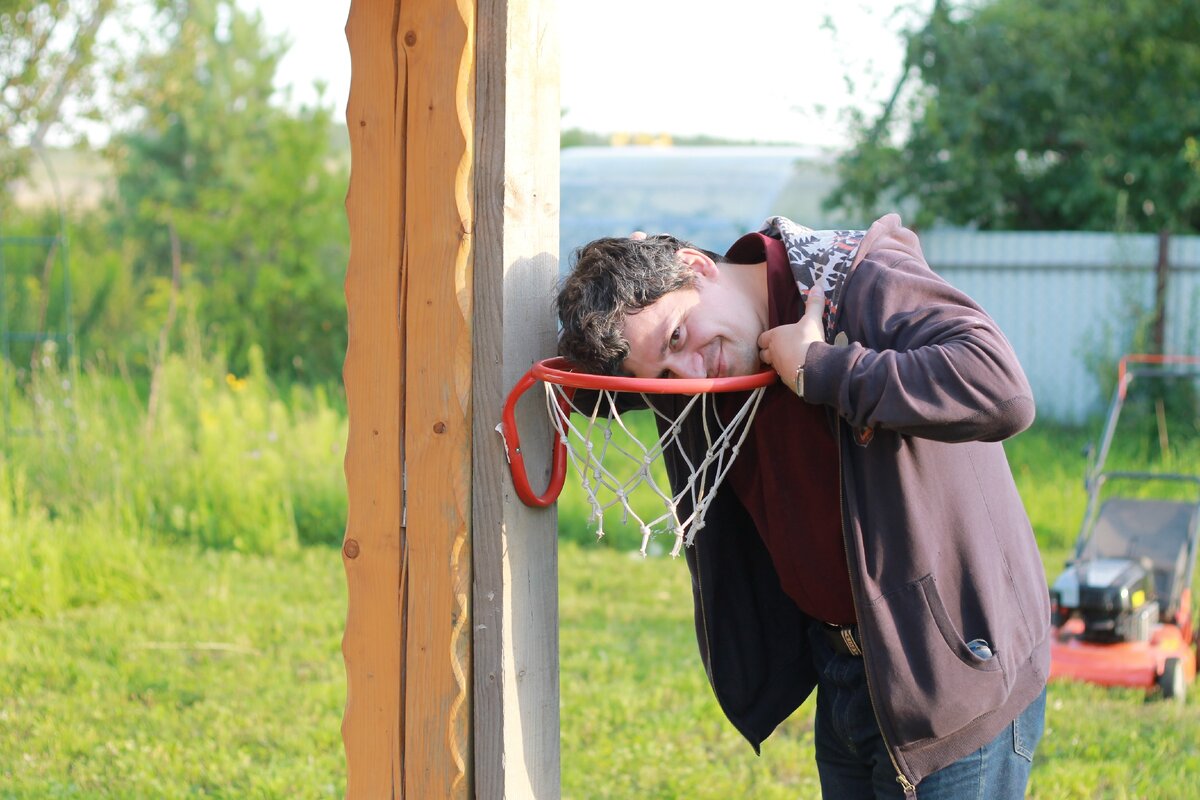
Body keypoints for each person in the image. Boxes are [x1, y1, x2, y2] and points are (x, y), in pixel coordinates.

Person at [554, 214, 1050, 799]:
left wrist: (821, 369)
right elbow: (588, 386)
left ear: (697, 267)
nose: (688, 373)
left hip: (951, 675)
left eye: (679, 338)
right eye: (663, 371)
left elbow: (1002, 388)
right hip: (843, 672)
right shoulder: (697, 360)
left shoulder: (853, 279)